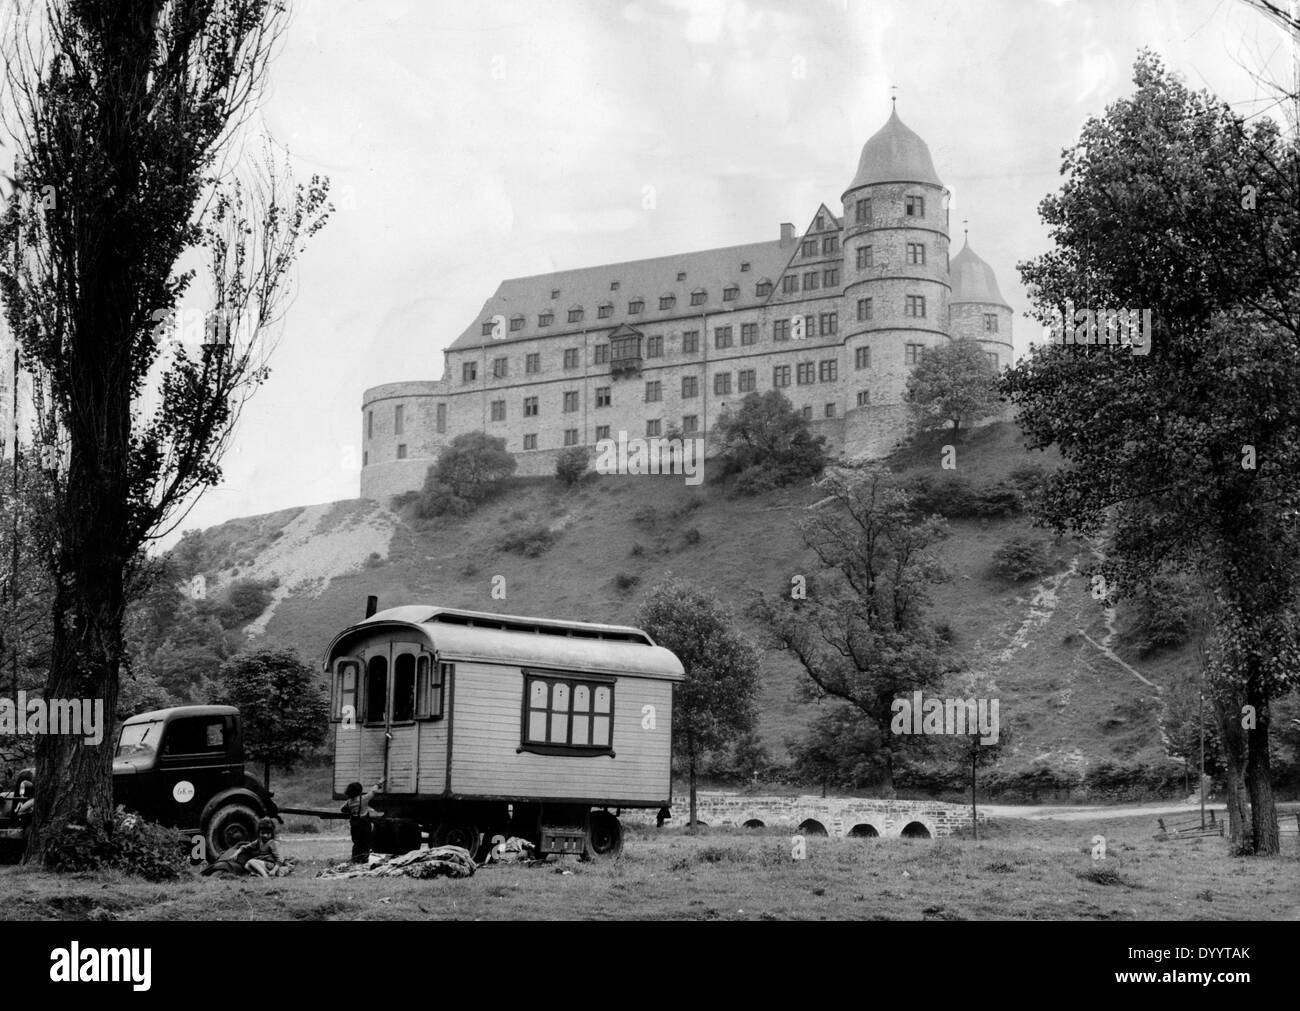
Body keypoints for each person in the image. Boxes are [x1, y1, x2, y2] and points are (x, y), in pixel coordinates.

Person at [342, 780, 383, 863]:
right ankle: (364, 860)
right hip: (364, 824)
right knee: (366, 843)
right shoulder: (363, 799)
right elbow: (373, 791)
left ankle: (355, 859)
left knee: (357, 843)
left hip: (354, 824)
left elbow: (342, 809)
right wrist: (379, 783)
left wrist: (351, 811)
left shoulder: (349, 802)